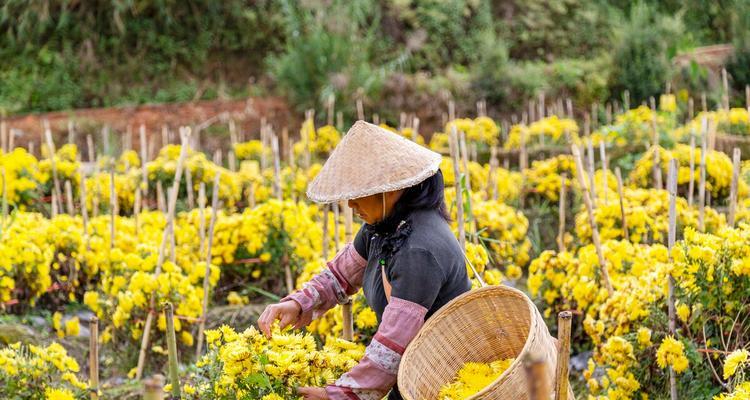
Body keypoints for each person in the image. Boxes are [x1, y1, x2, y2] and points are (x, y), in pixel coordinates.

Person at [258, 120, 471, 400]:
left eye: (358, 193)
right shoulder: (386, 227)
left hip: (443, 382)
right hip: (415, 373)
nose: (350, 205)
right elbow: (340, 275)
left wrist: (337, 395)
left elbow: (393, 345)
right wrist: (297, 303)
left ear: (391, 188)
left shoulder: (418, 249)